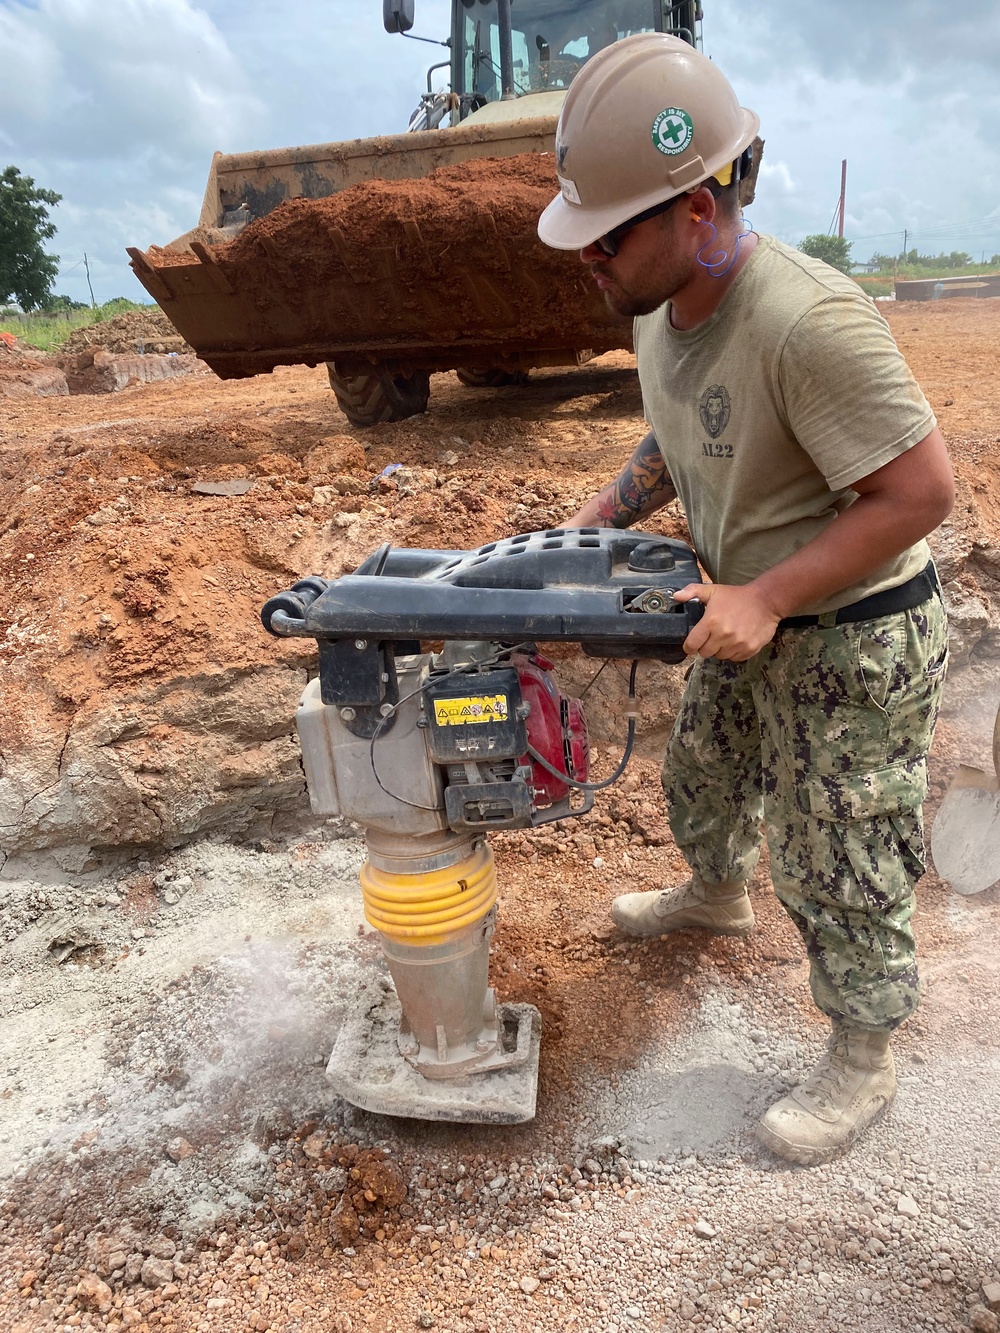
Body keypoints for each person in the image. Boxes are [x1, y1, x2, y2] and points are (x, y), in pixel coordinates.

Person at [537, 33, 954, 1165]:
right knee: (701, 775)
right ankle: (715, 894)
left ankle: (863, 1055)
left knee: (837, 848)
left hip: (852, 632)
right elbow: (677, 429)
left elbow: (920, 490)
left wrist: (767, 594)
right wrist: (594, 520)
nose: (592, 258)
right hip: (748, 609)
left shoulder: (807, 321)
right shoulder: (654, 304)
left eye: (609, 234)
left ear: (698, 206)